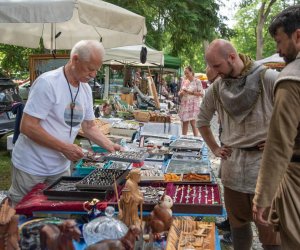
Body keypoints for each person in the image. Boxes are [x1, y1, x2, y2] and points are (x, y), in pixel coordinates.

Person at [8, 40, 121, 206]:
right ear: (75, 59)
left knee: (55, 214)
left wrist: (111, 146)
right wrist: (64, 147)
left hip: (60, 167)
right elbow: (27, 126)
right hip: (31, 166)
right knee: (23, 213)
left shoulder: (86, 89)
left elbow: (89, 127)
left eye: (96, 70)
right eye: (90, 69)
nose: (93, 75)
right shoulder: (48, 83)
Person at [197, 39, 281, 250]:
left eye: (217, 66)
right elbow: (202, 121)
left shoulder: (268, 79)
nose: (214, 73)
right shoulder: (217, 88)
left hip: (265, 171)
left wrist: (277, 140)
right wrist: (215, 148)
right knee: (239, 229)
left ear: (232, 57)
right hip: (233, 170)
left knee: (271, 237)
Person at [252, 5, 300, 249]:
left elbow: (280, 144)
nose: (278, 51)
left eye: (280, 42)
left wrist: (262, 196)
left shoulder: (291, 78)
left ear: (298, 36)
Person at [178, 65, 204, 136]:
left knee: (193, 123)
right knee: (185, 122)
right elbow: (180, 92)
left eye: (187, 73)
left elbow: (201, 93)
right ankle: (183, 138)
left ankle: (196, 139)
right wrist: (181, 93)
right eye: (185, 73)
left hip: (194, 104)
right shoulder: (184, 81)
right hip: (185, 103)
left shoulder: (197, 81)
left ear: (191, 72)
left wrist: (190, 92)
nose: (186, 75)